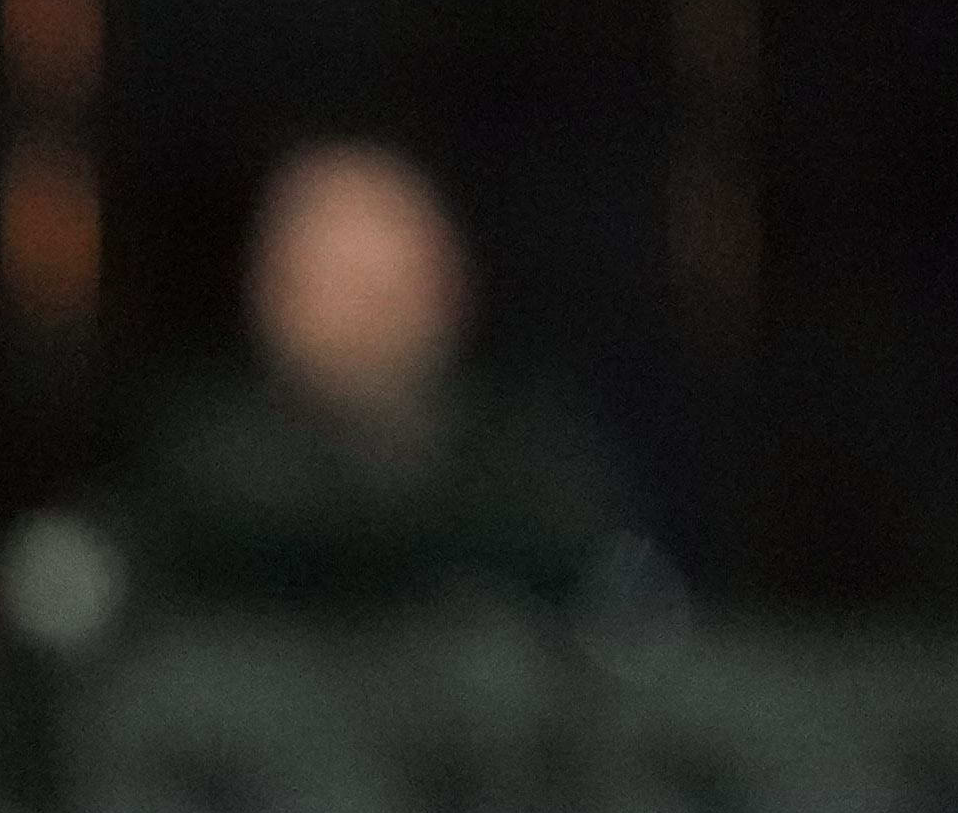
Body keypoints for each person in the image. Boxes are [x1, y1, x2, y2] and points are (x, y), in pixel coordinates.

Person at [109, 138, 642, 625]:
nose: (374, 312)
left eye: (396, 280)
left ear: (454, 286)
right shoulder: (195, 479)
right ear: (271, 291)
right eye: (346, 279)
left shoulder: (533, 467)